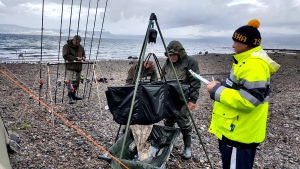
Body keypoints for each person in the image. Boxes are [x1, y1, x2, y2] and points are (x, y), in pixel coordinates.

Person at [206, 19, 280, 169]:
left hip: (240, 133)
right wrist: (222, 84)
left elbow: (249, 100)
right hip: (235, 129)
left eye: (235, 42)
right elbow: (238, 87)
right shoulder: (244, 61)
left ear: (245, 44)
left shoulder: (254, 65)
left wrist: (215, 91)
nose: (233, 45)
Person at [162, 40, 200, 160]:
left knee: (183, 120)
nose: (172, 57)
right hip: (169, 98)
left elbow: (196, 82)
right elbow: (162, 79)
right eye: (169, 55)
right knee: (168, 120)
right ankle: (167, 144)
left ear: (180, 53)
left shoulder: (191, 62)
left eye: (174, 54)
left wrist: (193, 100)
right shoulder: (167, 64)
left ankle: (187, 147)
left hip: (184, 98)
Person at [63, 35, 86, 104]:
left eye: (79, 42)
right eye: (77, 42)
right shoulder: (66, 46)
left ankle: (74, 95)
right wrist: (76, 58)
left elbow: (84, 55)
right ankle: (70, 97)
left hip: (78, 67)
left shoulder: (81, 47)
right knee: (70, 82)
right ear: (73, 40)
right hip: (70, 68)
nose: (78, 44)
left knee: (77, 82)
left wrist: (83, 58)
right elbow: (65, 56)